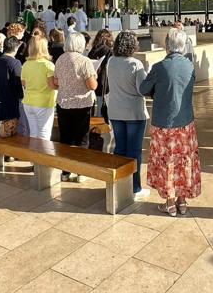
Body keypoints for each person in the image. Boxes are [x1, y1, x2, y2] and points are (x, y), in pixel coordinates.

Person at [140, 28, 199, 216]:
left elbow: (143, 89)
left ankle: (170, 203)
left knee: (167, 162)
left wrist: (156, 90)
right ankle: (182, 201)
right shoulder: (189, 66)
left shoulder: (159, 67)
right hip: (185, 122)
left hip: (164, 123)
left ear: (167, 45)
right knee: (184, 161)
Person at [106, 31, 150, 200]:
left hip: (116, 110)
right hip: (133, 112)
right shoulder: (135, 64)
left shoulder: (111, 61)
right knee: (134, 151)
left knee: (120, 149)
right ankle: (134, 188)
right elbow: (142, 89)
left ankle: (119, 185)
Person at [52, 32, 98, 180]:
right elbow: (92, 86)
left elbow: (56, 82)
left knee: (65, 138)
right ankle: (80, 172)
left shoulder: (60, 59)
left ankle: (65, 172)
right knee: (82, 139)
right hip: (82, 104)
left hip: (63, 103)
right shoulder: (85, 61)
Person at [22, 35, 57, 139]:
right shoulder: (48, 65)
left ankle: (33, 150)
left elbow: (24, 83)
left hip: (28, 102)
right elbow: (52, 85)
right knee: (44, 135)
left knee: (33, 133)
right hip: (44, 102)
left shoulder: (26, 64)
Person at [0, 37, 24, 133]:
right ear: (16, 48)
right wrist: (21, 95)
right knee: (10, 130)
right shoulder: (15, 62)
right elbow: (18, 82)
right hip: (10, 100)